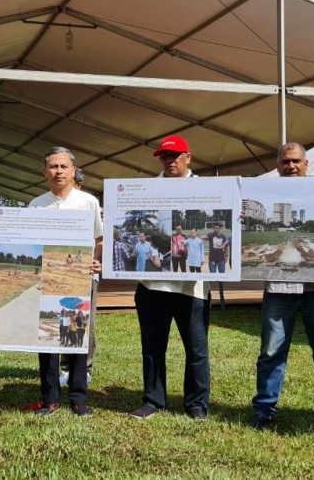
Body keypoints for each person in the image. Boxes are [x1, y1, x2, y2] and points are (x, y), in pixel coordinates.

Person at [248, 142, 314, 429]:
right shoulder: (265, 196)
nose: (290, 166)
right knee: (271, 351)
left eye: (296, 161)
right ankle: (265, 408)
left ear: (306, 163)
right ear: (277, 166)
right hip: (278, 289)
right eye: (285, 162)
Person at [130, 135, 210, 420]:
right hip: (152, 285)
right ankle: (153, 400)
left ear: (188, 157)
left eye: (175, 155)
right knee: (152, 346)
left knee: (196, 348)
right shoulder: (145, 191)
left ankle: (196, 404)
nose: (169, 161)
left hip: (191, 288)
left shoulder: (208, 190)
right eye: (164, 156)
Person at [27, 146, 103, 417]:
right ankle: (50, 399)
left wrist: (96, 261)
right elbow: (30, 242)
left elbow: (99, 238)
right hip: (47, 278)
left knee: (76, 334)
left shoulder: (88, 202)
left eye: (63, 167)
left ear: (73, 171)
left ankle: (78, 398)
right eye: (53, 167)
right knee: (48, 334)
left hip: (80, 277)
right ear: (44, 172)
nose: (58, 171)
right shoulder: (36, 205)